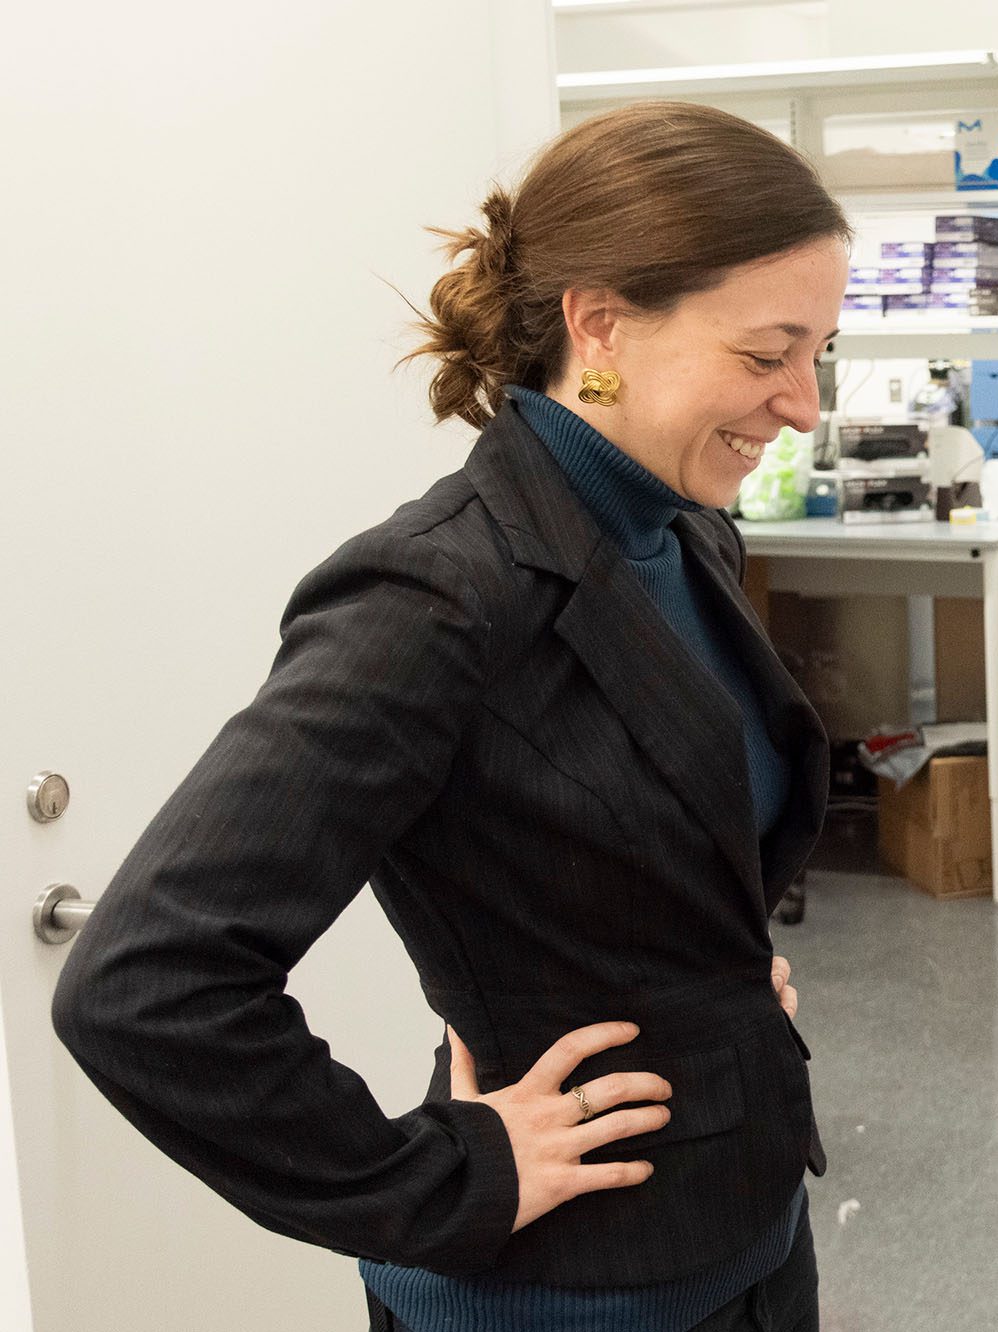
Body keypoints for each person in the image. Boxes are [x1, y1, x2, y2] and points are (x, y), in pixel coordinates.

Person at [51, 100, 850, 1332]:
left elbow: (649, 838)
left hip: (744, 1237)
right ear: (599, 324)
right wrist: (433, 1181)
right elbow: (147, 983)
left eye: (819, 355)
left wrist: (722, 984)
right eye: (765, 355)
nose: (803, 404)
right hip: (570, 1293)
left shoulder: (683, 532)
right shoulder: (436, 591)